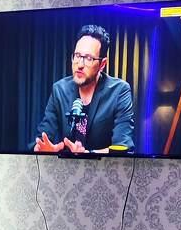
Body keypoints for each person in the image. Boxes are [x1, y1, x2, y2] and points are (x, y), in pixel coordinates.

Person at [34, 24, 135, 154]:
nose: (80, 64)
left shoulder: (119, 91)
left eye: (88, 58)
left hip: (104, 166)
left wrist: (87, 155)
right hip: (66, 166)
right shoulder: (59, 90)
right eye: (77, 55)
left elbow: (123, 147)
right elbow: (43, 138)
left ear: (102, 64)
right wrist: (43, 149)